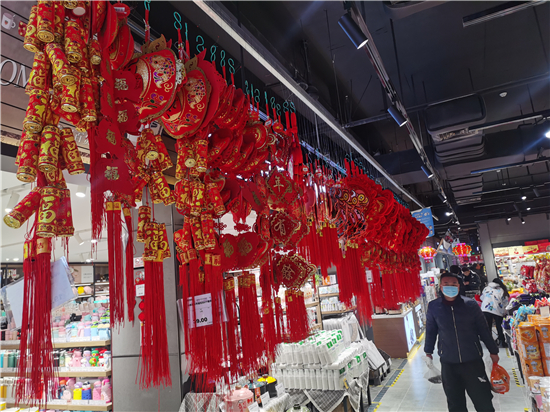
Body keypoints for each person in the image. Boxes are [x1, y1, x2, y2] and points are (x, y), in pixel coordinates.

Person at [425, 272, 500, 412]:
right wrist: (428, 352)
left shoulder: (470, 304)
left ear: (459, 286)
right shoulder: (434, 306)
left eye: (454, 284)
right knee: (455, 403)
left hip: (473, 361)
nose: (450, 286)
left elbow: (483, 330)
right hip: (448, 363)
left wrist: (493, 351)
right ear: (440, 286)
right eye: (446, 284)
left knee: (483, 401)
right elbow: (431, 330)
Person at [481, 277, 509, 348]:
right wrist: (504, 311)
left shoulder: (486, 288)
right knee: (499, 325)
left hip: (485, 308)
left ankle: (489, 343)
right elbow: (505, 302)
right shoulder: (501, 290)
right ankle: (502, 341)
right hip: (497, 308)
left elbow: (482, 298)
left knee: (488, 326)